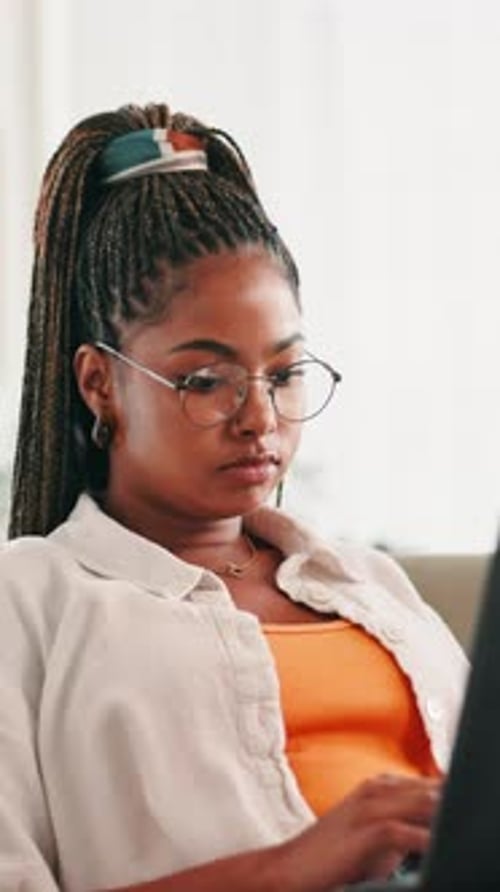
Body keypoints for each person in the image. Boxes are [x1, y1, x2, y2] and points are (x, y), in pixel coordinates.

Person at [0, 101, 467, 892]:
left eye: (284, 374)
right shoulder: (31, 601)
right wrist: (292, 868)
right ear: (99, 383)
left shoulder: (371, 584)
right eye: (204, 381)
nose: (260, 418)